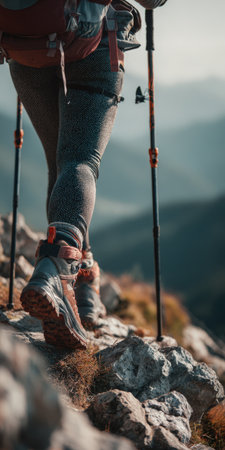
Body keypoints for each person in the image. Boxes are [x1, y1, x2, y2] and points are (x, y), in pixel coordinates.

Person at [2, 0, 167, 348]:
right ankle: (59, 269)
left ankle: (85, 278)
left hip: (26, 47)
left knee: (61, 166)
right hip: (94, 44)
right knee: (79, 161)